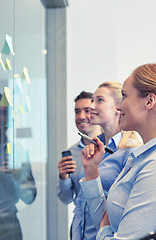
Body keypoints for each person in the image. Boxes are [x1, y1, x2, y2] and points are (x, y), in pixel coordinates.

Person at [80, 63, 156, 239]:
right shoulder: (143, 157)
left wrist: (106, 230)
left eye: (124, 96)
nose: (119, 107)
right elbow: (106, 224)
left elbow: (114, 232)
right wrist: (91, 171)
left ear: (149, 101)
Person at [72, 82, 143, 240]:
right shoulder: (94, 148)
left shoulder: (130, 151)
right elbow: (81, 201)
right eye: (92, 100)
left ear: (118, 106)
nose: (92, 106)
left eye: (99, 100)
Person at [0, 93, 37, 240]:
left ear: (9, 119)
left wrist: (19, 176)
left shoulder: (20, 153)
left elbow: (29, 198)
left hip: (8, 227)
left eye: (3, 113)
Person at [57, 91, 103, 238]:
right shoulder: (70, 153)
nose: (81, 116)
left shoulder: (111, 149)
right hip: (78, 229)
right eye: (77, 111)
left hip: (103, 230)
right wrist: (63, 177)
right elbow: (66, 198)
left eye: (87, 111)